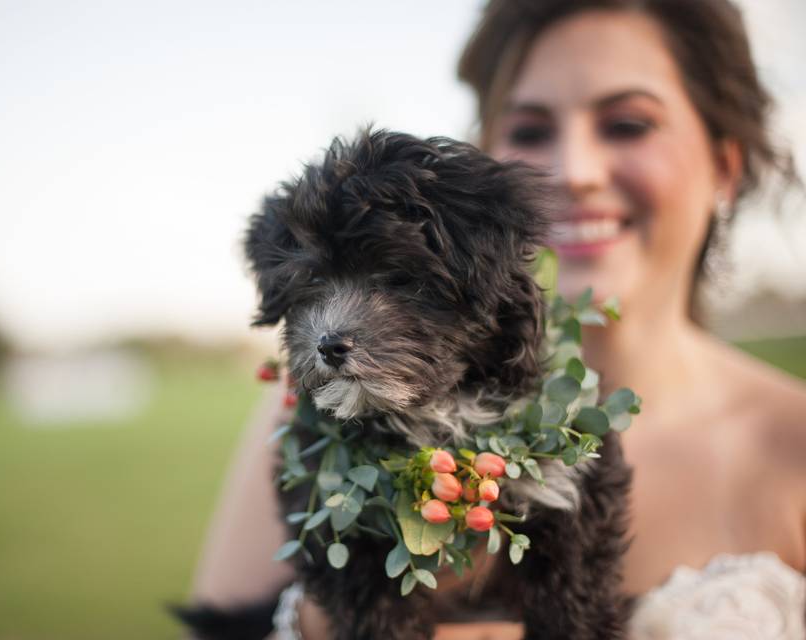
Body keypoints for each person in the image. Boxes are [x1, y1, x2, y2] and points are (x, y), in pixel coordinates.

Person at [191, 0, 806, 637]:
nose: (573, 173)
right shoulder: (308, 422)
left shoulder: (798, 445)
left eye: (627, 124)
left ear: (725, 165)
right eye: (531, 131)